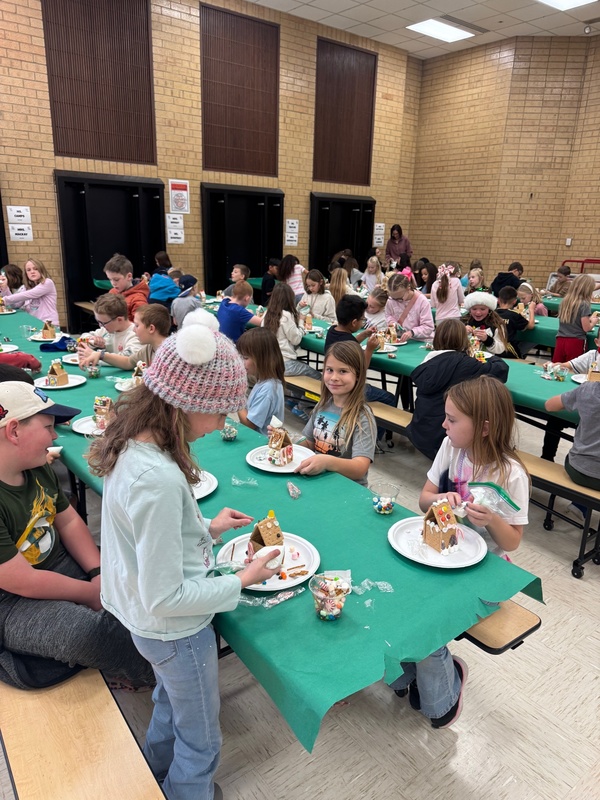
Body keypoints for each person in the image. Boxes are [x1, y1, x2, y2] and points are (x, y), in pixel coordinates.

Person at [87, 316, 279, 800]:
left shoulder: (134, 446)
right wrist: (242, 579)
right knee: (203, 735)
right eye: (219, 413)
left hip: (145, 623)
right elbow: (166, 595)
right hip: (176, 631)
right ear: (185, 405)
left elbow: (143, 539)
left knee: (171, 702)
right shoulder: (158, 479)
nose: (221, 425)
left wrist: (205, 528)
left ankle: (153, 770)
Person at [392, 376, 529, 727]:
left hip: (485, 571)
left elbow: (512, 541)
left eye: (452, 419)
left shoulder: (510, 473)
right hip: (440, 554)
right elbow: (423, 498)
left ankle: (444, 695)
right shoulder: (450, 448)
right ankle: (410, 671)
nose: (443, 423)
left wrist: (495, 519)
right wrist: (441, 497)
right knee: (396, 595)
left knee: (426, 620)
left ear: (483, 427)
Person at [0, 381, 155, 691]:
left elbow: (68, 522)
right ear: (14, 431)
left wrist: (98, 573)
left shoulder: (34, 465)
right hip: (11, 602)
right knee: (90, 633)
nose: (55, 436)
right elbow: (23, 581)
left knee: (140, 570)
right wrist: (92, 594)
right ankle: (160, 676)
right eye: (47, 427)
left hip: (58, 565)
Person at [406, 320, 508, 461]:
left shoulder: (427, 363)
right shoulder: (465, 364)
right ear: (463, 339)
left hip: (419, 430)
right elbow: (501, 371)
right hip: (444, 437)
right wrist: (490, 357)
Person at [295, 340, 376, 486]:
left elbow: (360, 467)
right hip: (319, 481)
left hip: (347, 488)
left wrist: (327, 462)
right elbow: (309, 443)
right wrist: (287, 441)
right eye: (329, 370)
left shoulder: (362, 416)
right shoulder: (322, 405)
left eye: (343, 371)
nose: (334, 377)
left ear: (358, 375)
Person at [325, 295, 397, 442]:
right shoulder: (349, 341)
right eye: (362, 319)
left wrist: (363, 334)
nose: (363, 321)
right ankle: (373, 440)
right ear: (353, 322)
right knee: (389, 398)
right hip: (350, 388)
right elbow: (362, 369)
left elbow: (348, 343)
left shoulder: (333, 331)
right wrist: (369, 349)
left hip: (333, 383)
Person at [546, 381, 600, 509]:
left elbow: (549, 405)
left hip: (578, 470)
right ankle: (580, 507)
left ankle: (581, 506)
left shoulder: (588, 389)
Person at [78, 303, 170, 370]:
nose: (134, 329)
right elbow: (128, 362)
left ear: (151, 329)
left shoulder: (169, 354)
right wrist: (101, 355)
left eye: (137, 326)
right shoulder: (149, 348)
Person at [262, 283, 321, 383]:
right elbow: (296, 340)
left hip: (268, 362)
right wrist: (301, 321)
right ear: (288, 299)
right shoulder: (286, 316)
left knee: (303, 370)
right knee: (318, 376)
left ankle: (295, 398)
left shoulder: (266, 314)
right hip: (284, 364)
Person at [236, 327, 285, 436]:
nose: (240, 361)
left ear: (261, 359)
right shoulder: (264, 381)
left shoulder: (268, 388)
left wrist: (237, 399)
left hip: (260, 444)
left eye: (245, 357)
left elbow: (249, 424)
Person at [76, 293, 141, 364]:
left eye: (103, 323)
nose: (100, 326)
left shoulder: (135, 335)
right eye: (98, 321)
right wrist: (92, 341)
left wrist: (96, 356)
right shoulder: (106, 330)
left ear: (119, 320)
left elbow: (128, 359)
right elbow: (80, 340)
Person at [554, 274, 599, 363]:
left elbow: (574, 319)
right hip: (576, 342)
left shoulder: (565, 301)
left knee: (557, 367)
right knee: (573, 369)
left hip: (560, 340)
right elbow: (586, 328)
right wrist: (593, 321)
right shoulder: (584, 304)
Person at [0, 259, 59, 325]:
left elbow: (29, 294)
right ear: (26, 273)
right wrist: (5, 288)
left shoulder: (47, 282)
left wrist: (3, 300)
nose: (32, 272)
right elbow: (15, 305)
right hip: (33, 324)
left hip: (48, 324)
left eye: (35, 269)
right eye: (28, 270)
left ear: (41, 270)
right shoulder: (26, 287)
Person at [385, 273, 434, 343]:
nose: (396, 301)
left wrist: (412, 332)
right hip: (399, 339)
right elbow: (388, 315)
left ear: (408, 289)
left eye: (400, 298)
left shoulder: (422, 301)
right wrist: (392, 323)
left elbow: (428, 327)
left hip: (420, 341)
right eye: (393, 297)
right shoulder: (391, 300)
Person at [104, 253, 150, 322]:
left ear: (129, 276)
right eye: (110, 279)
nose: (113, 283)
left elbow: (142, 326)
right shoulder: (112, 292)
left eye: (116, 279)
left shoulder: (138, 299)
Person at [496, 286, 535, 358]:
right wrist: (531, 310)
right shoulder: (514, 315)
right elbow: (531, 326)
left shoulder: (493, 313)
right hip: (508, 350)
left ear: (498, 300)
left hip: (493, 347)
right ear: (514, 301)